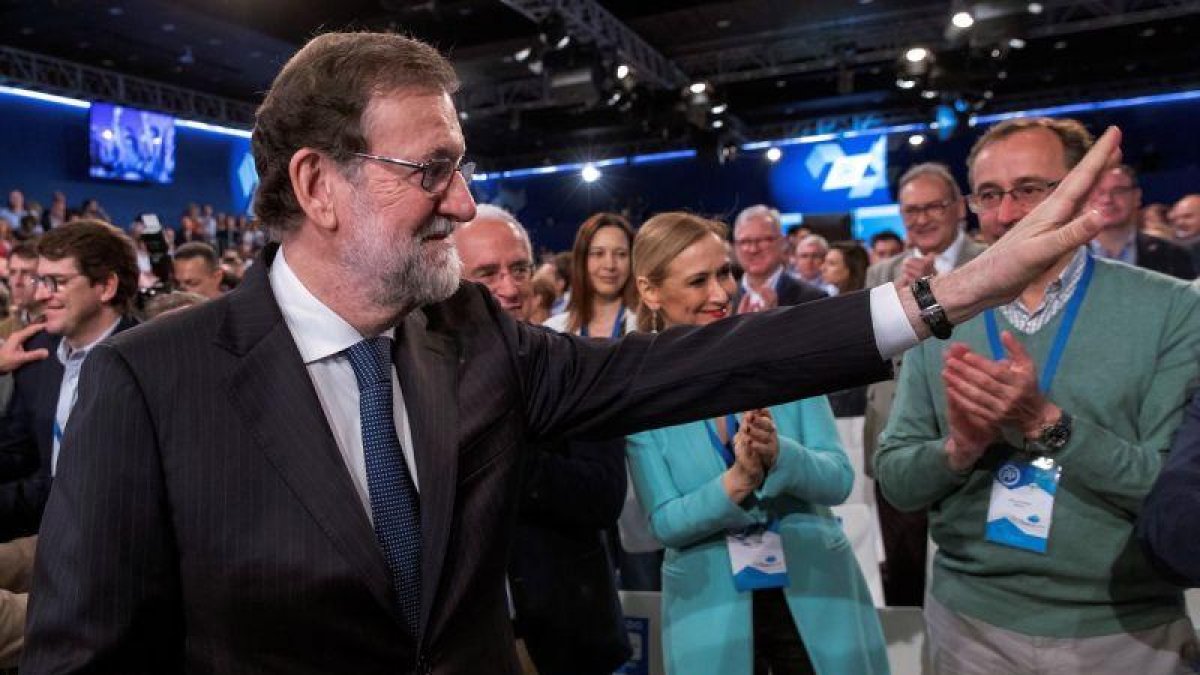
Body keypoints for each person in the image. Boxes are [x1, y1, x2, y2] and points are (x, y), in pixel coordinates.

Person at [22, 31, 1127, 675]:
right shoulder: (148, 385)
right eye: (433, 169)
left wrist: (947, 293)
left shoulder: (469, 341)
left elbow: (694, 367)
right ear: (318, 185)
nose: (465, 200)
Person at [876, 117, 1200, 674]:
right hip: (968, 625)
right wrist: (959, 448)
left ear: (1081, 188)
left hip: (1124, 631)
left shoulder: (1172, 309)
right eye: (990, 195)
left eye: (1030, 190)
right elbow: (897, 481)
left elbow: (1173, 494)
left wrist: (1049, 424)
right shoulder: (942, 314)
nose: (1008, 215)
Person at [626, 212, 889, 674]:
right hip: (709, 613)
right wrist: (737, 481)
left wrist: (781, 456)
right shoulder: (643, 392)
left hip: (817, 598)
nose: (721, 293)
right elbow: (665, 522)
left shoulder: (780, 353)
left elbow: (838, 478)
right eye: (698, 280)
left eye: (725, 272)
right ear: (651, 290)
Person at [454, 204, 630, 674]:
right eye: (487, 273)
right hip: (465, 647)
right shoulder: (410, 379)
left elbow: (602, 496)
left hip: (569, 638)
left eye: (519, 269)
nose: (509, 288)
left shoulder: (578, 366)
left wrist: (498, 454)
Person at [862, 162, 988, 607]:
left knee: (974, 556)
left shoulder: (991, 259)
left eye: (933, 206)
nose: (921, 218)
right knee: (904, 567)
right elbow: (871, 353)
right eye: (910, 210)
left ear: (959, 208)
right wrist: (900, 304)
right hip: (899, 437)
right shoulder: (882, 274)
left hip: (974, 433)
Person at [0, 220, 139, 542]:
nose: (41, 294)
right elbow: (17, 452)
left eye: (57, 282)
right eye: (41, 280)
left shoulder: (148, 360)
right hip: (40, 527)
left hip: (114, 540)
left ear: (105, 286)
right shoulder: (35, 353)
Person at [1087, 165, 1194, 279]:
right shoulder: (1068, 254)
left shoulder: (1172, 255)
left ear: (1137, 196)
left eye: (1118, 191)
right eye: (1099, 191)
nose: (1107, 199)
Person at [543, 213, 638, 337]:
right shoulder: (553, 331)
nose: (610, 265)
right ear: (582, 260)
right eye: (598, 253)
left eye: (621, 254)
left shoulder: (649, 328)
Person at [731, 205, 826, 313]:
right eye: (745, 241)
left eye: (763, 240)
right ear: (735, 246)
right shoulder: (723, 299)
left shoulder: (815, 299)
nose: (753, 249)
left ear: (782, 242)